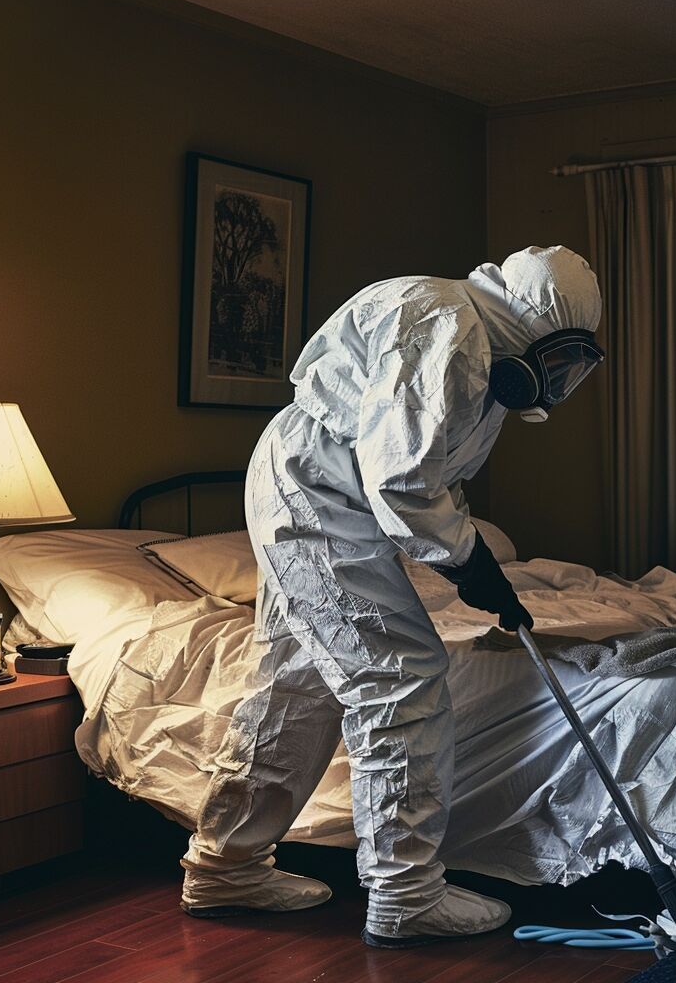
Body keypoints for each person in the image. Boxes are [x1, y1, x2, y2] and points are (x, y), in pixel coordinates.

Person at [180, 245, 604, 947]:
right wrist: (469, 563)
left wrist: (475, 561)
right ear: (530, 324)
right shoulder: (447, 326)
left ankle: (226, 865)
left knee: (297, 686)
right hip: (316, 494)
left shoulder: (482, 345)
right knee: (400, 677)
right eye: (556, 361)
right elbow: (403, 482)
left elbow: (430, 472)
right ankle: (405, 893)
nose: (556, 383)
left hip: (327, 493)